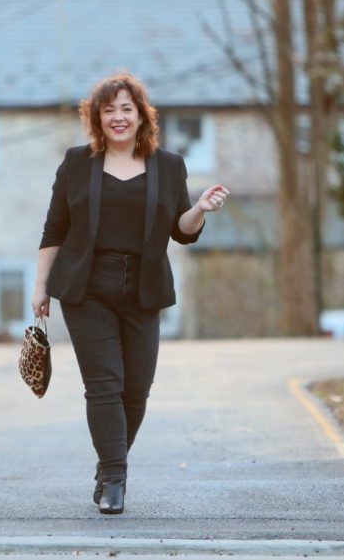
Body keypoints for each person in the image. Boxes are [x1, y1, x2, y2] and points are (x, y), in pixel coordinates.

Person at [31, 73, 228, 515]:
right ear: (96, 118)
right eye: (108, 110)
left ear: (141, 116)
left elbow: (181, 230)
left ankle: (107, 465)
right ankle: (116, 481)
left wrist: (200, 208)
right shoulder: (77, 163)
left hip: (144, 288)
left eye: (126, 109)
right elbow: (54, 228)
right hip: (87, 289)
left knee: (136, 388)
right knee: (104, 385)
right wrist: (40, 286)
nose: (118, 118)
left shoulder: (170, 165)